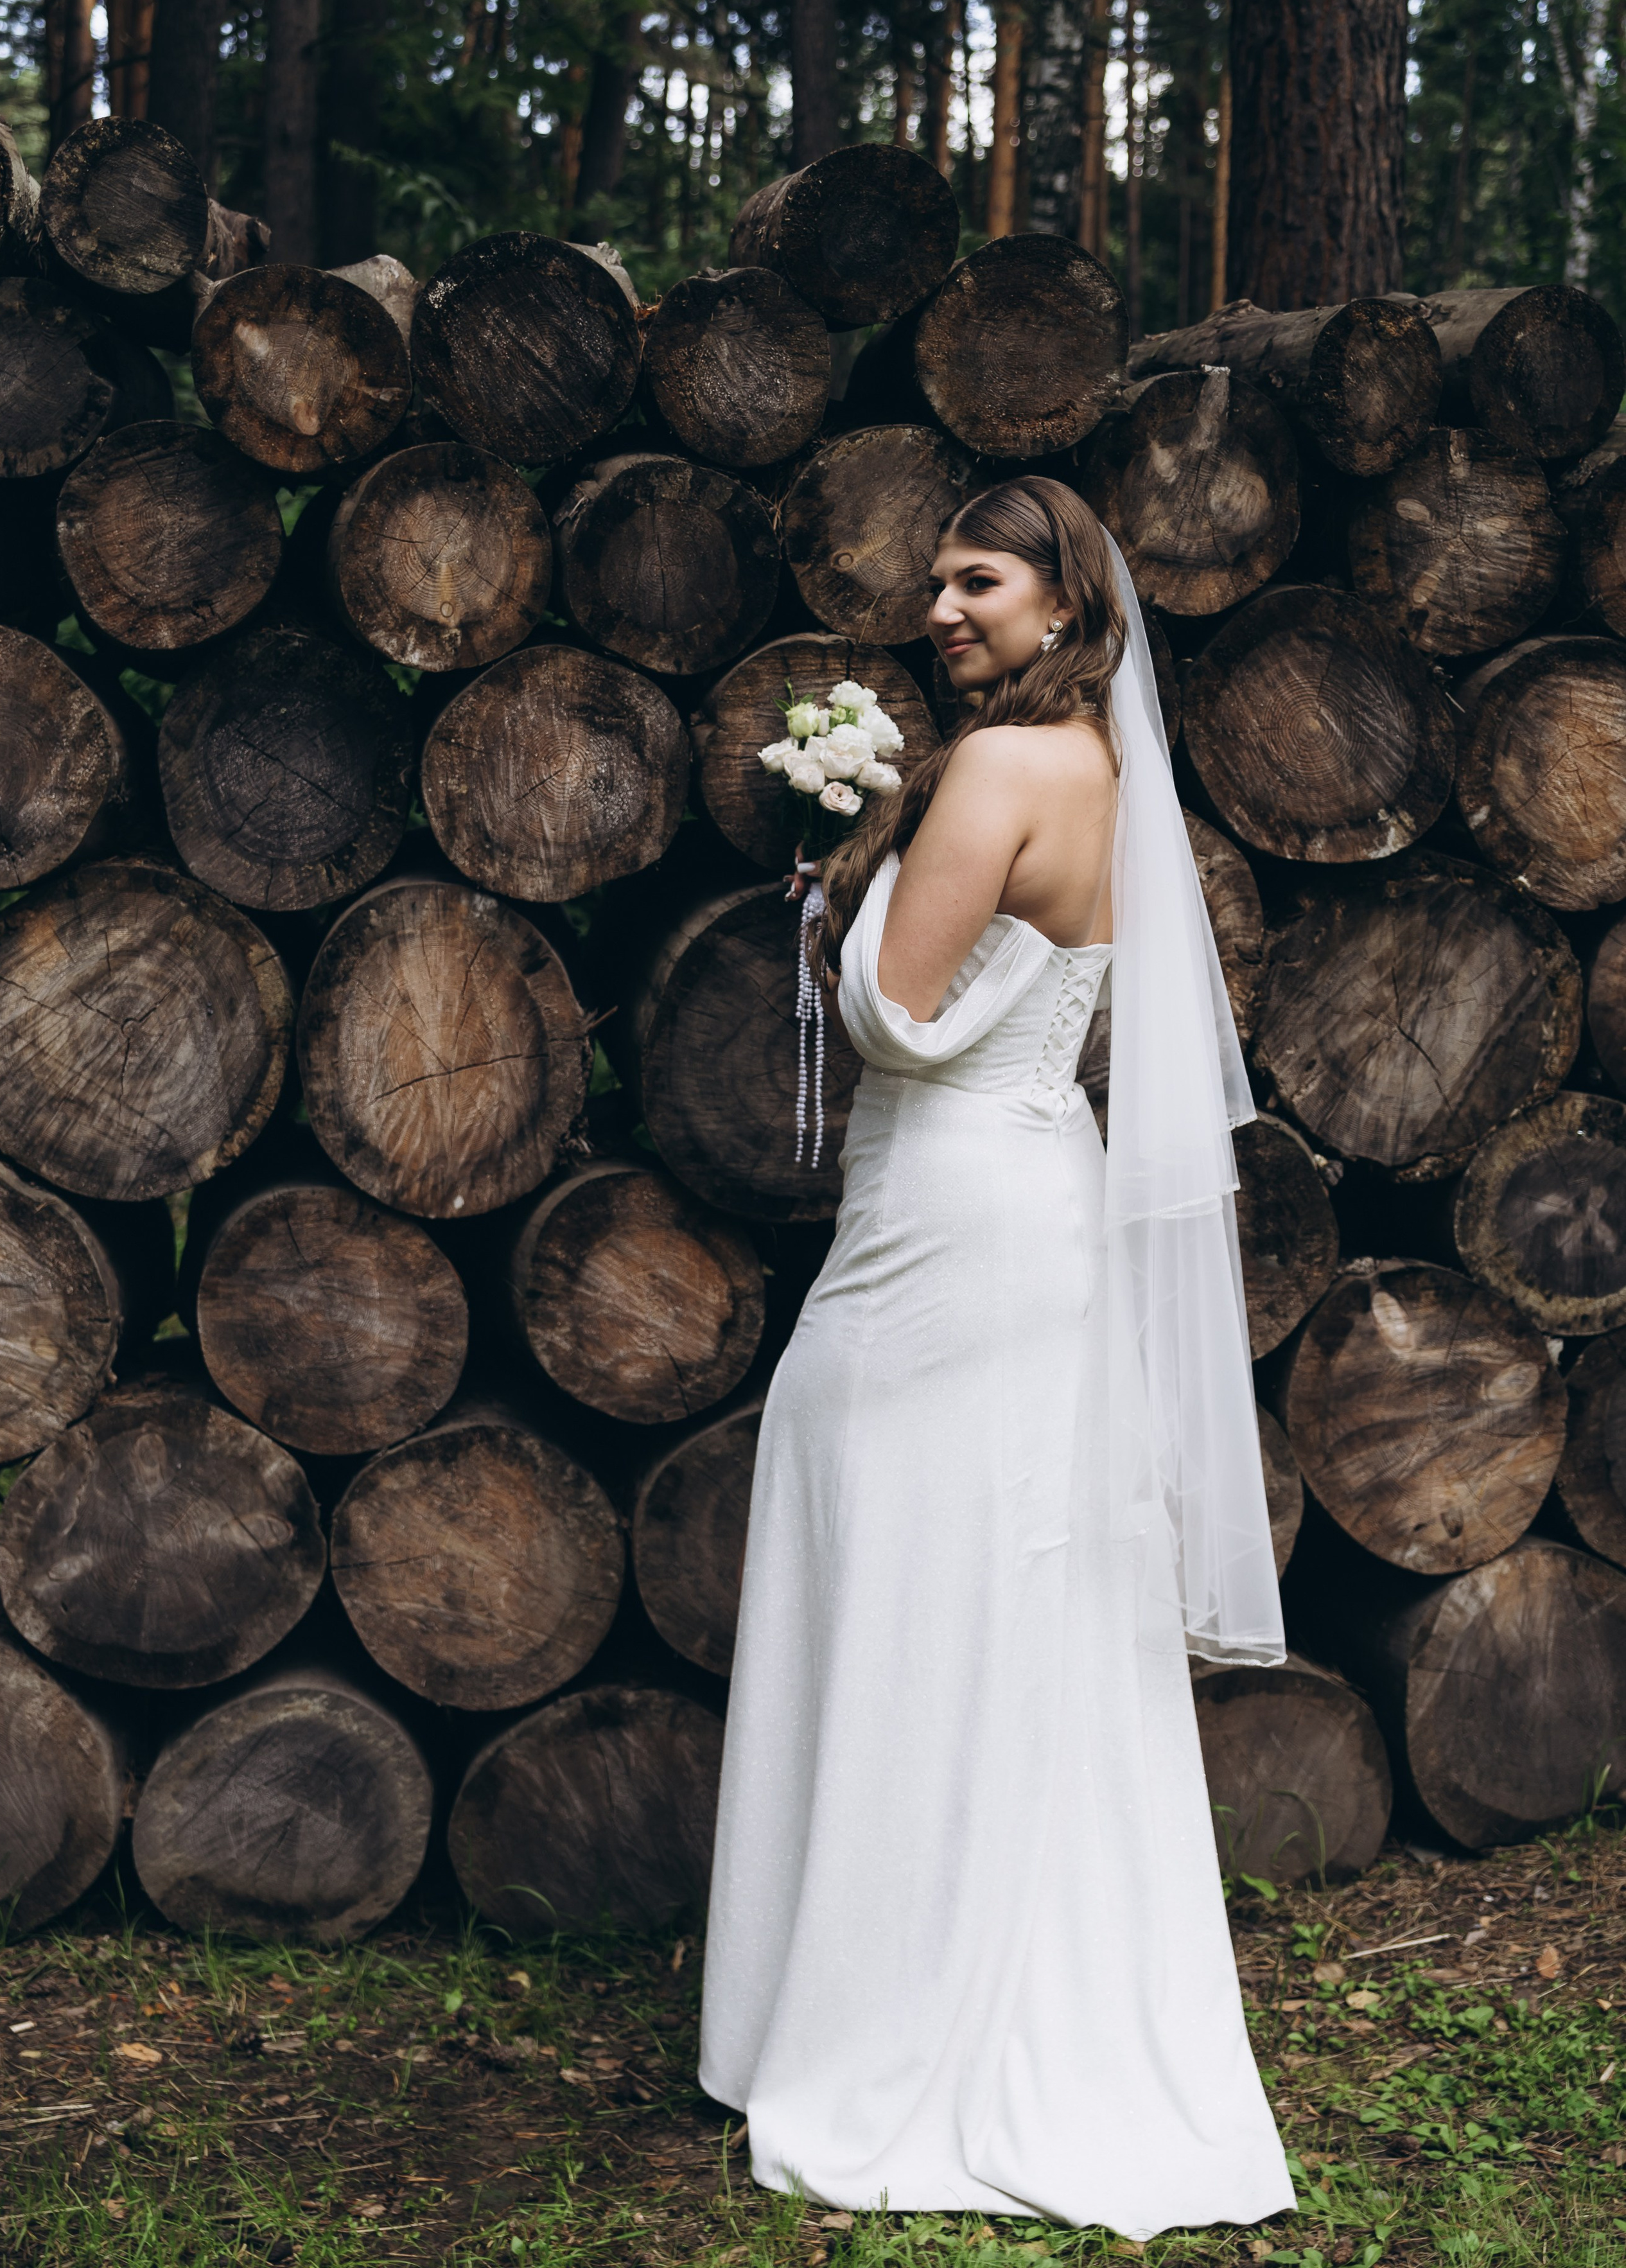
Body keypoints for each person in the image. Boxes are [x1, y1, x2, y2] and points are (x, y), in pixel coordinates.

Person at [698, 476, 1295, 2241]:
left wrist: (852, 877)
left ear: (1065, 605)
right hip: (1026, 1205)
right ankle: (973, 1963)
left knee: (897, 1576)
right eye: (937, 581)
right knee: (989, 1594)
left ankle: (887, 2015)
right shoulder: (1102, 779)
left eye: (980, 581)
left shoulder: (1003, 770)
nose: (943, 609)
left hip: (947, 1226)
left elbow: (897, 1013)